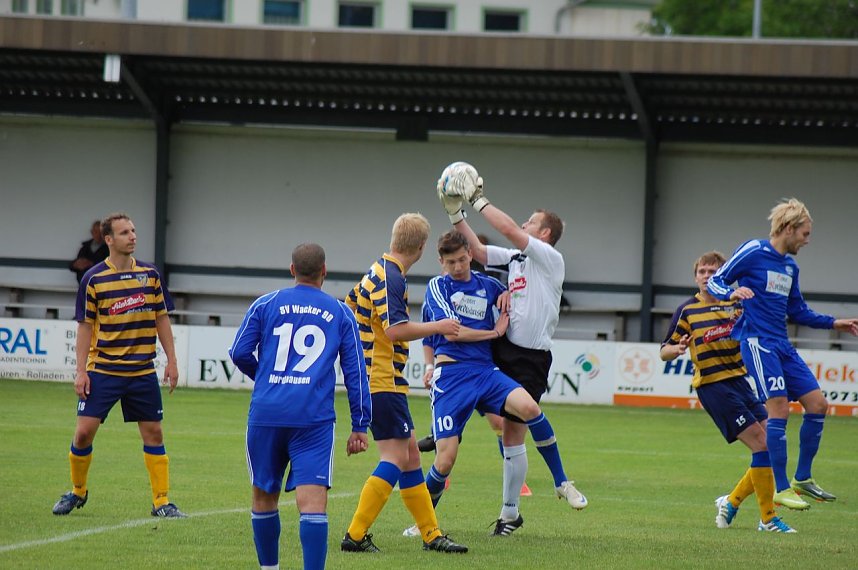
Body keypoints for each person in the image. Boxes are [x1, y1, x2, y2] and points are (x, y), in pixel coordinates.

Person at [437, 162, 587, 537]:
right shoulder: (519, 258)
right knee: (507, 424)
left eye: (530, 222)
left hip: (531, 358)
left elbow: (503, 228)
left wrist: (477, 198)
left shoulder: (550, 259)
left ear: (545, 233)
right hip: (501, 352)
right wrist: (456, 213)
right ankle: (555, 484)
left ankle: (510, 514)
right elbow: (480, 251)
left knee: (513, 434)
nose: (523, 225)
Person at [422, 230, 575, 537]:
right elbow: (449, 333)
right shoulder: (438, 286)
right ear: (441, 261)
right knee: (446, 459)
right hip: (452, 377)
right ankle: (423, 521)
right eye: (450, 262)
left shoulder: (490, 285)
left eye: (463, 259)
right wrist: (491, 334)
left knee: (528, 408)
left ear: (470, 254)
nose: (458, 266)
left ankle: (561, 481)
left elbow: (516, 298)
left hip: (486, 372)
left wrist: (508, 295)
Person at [229, 243, 372, 570]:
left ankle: (269, 569)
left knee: (264, 496)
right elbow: (356, 374)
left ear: (292, 270)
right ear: (325, 271)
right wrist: (360, 426)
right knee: (312, 505)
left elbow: (238, 352)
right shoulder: (340, 313)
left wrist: (265, 378)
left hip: (266, 415)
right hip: (313, 420)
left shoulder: (265, 304)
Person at [708, 198, 858, 510]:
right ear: (788, 229)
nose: (807, 240)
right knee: (779, 410)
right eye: (805, 233)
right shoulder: (754, 251)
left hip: (782, 345)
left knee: (818, 404)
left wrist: (834, 323)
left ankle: (803, 477)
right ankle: (781, 487)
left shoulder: (790, 267)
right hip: (758, 343)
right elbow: (716, 280)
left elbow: (797, 310)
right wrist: (730, 293)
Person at [340, 213, 468, 554]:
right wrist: (438, 326)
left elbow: (350, 307)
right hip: (380, 379)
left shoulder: (378, 270)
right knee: (396, 457)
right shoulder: (391, 278)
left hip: (380, 378)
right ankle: (354, 535)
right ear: (423, 247)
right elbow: (395, 329)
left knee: (411, 455)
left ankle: (431, 535)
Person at [52, 212, 185, 518]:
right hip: (104, 370)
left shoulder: (150, 275)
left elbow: (161, 318)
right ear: (109, 239)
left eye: (134, 231)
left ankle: (162, 502)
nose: (133, 236)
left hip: (141, 371)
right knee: (83, 434)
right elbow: (85, 326)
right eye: (125, 232)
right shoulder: (93, 278)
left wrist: (172, 361)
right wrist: (81, 371)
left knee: (154, 434)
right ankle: (77, 491)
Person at [662, 251, 795, 533]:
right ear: (695, 277)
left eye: (713, 271)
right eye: (702, 272)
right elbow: (664, 351)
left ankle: (731, 502)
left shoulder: (736, 303)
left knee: (769, 443)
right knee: (761, 443)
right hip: (713, 386)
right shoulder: (687, 310)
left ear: (722, 275)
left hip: (741, 382)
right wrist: (677, 348)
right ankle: (768, 520)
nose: (707, 276)